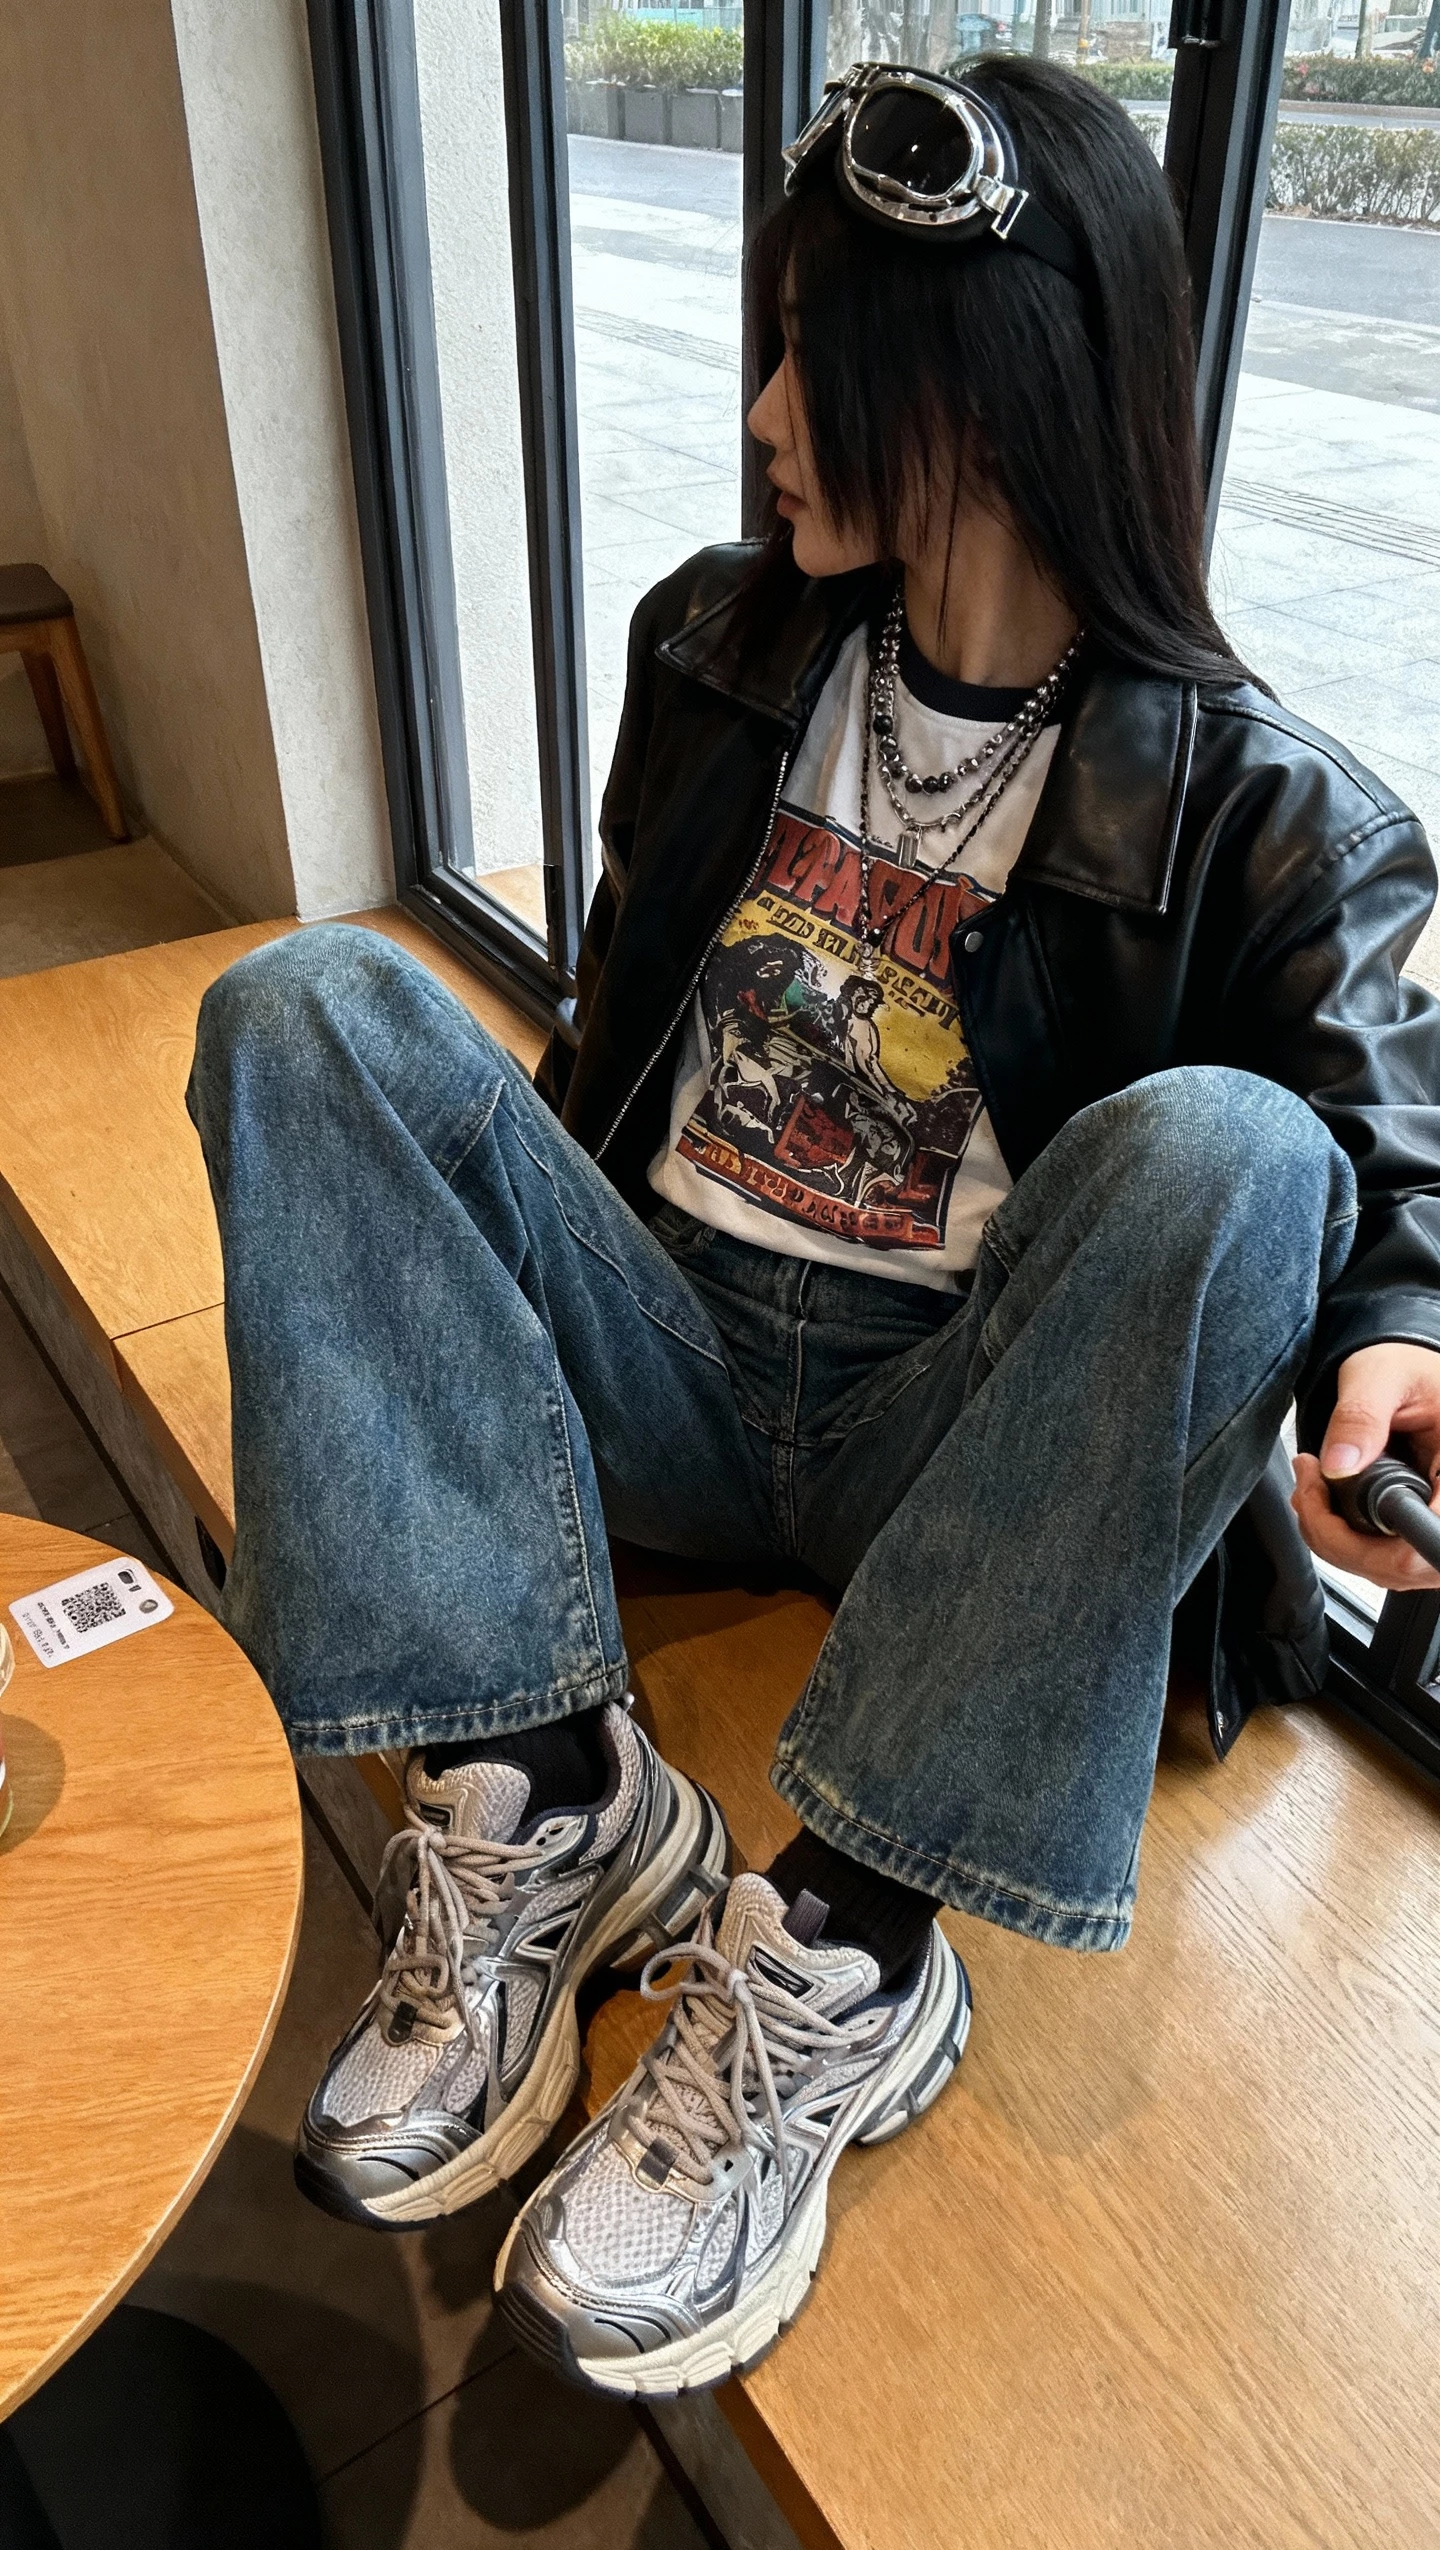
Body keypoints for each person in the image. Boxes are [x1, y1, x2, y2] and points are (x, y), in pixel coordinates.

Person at [187, 57, 1440, 2399]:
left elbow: (1381, 1144)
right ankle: (565, 1797)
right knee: (307, 1003)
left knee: (1240, 1150)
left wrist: (1406, 1326)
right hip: (656, 1345)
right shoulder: (716, 642)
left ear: (983, 389)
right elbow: (602, 1047)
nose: (765, 411)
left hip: (937, 1452)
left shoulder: (1277, 807)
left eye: (814, 356)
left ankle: (855, 1945)